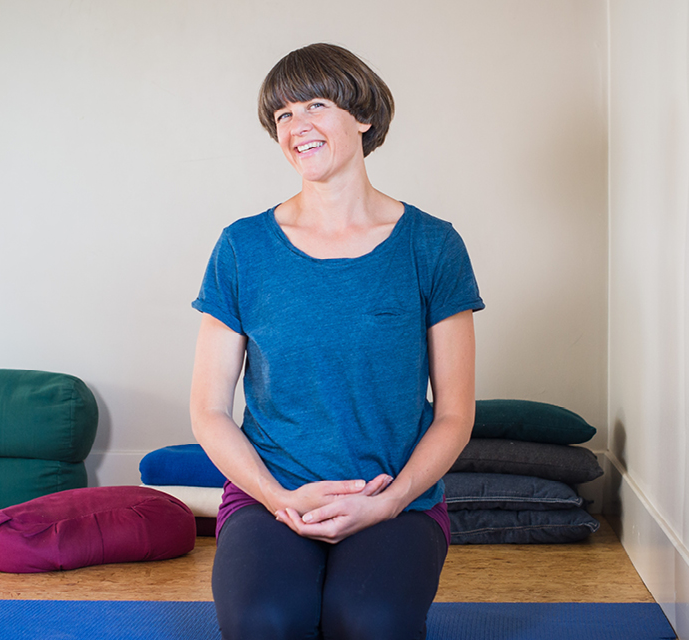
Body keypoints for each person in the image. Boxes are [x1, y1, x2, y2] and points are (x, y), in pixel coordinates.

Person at [189, 42, 483, 640]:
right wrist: (278, 498)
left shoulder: (432, 246)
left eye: (315, 105)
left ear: (363, 116)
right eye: (283, 116)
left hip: (394, 499)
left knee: (370, 622)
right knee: (264, 621)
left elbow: (454, 413)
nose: (298, 127)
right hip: (271, 494)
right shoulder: (242, 248)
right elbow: (209, 410)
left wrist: (390, 501)